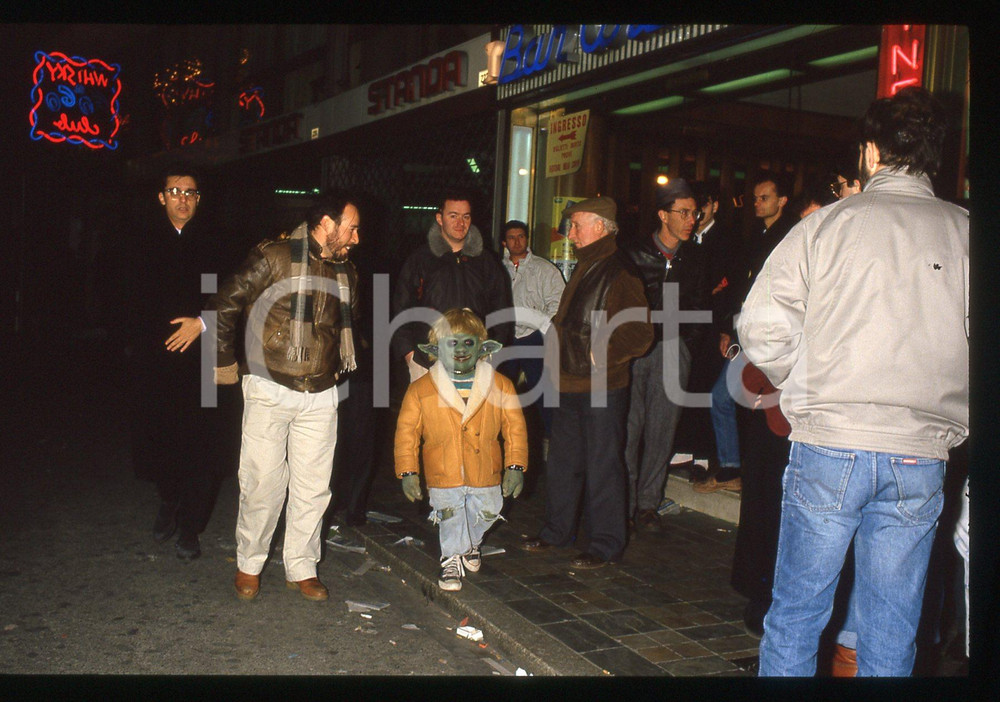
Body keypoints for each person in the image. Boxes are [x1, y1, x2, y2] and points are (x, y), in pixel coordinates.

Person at [738, 87, 968, 676]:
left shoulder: (827, 227)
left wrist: (801, 380)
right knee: (891, 629)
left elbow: (761, 327)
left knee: (796, 616)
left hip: (830, 441)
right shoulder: (967, 233)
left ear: (871, 152)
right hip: (920, 452)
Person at [209, 194, 361, 602]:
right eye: (351, 228)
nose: (357, 238)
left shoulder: (348, 271)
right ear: (326, 223)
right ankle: (250, 564)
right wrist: (223, 364)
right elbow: (224, 304)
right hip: (269, 384)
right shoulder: (274, 256)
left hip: (322, 392)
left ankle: (302, 567)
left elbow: (342, 327)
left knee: (314, 488)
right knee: (262, 483)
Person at [520, 196, 653, 568]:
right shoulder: (588, 265)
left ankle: (606, 545)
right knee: (563, 464)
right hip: (568, 383)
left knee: (603, 466)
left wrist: (597, 354)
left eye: (576, 225)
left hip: (600, 388)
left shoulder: (618, 272)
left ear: (601, 226)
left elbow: (640, 335)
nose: (570, 233)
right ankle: (557, 532)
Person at [127, 164, 235, 562]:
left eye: (191, 193)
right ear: (161, 197)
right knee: (162, 441)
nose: (183, 199)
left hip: (202, 360)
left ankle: (190, 527)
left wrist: (202, 322)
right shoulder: (140, 241)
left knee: (202, 445)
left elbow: (228, 293)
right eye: (175, 192)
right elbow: (129, 299)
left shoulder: (216, 242)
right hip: (157, 361)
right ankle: (169, 500)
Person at [394, 308, 528, 591]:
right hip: (443, 469)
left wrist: (515, 466)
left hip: (486, 469)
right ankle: (451, 557)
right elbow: (407, 433)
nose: (461, 350)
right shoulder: (421, 390)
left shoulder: (500, 385)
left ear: (483, 347)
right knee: (450, 515)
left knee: (492, 509)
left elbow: (515, 429)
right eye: (451, 343)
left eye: (468, 342)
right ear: (435, 349)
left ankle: (470, 544)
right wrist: (408, 471)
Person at [620, 179, 708, 532]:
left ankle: (647, 504)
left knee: (662, 431)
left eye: (695, 213)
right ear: (662, 215)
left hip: (673, 350)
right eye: (683, 213)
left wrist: (686, 345)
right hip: (635, 350)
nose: (691, 220)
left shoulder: (696, 258)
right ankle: (623, 503)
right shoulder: (632, 253)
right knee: (628, 429)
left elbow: (702, 306)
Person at [391, 191, 512, 385]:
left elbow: (502, 313)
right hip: (427, 362)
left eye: (466, 216)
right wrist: (410, 355)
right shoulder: (420, 260)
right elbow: (402, 310)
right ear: (439, 218)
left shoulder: (487, 263)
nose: (460, 223)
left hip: (475, 364)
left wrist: (490, 355)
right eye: (453, 216)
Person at [496, 219, 565, 439]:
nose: (517, 241)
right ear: (504, 242)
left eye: (521, 236)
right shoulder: (496, 269)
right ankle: (500, 439)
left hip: (534, 338)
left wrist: (541, 327)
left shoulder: (544, 269)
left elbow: (558, 304)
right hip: (505, 337)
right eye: (511, 237)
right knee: (499, 392)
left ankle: (553, 440)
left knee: (544, 393)